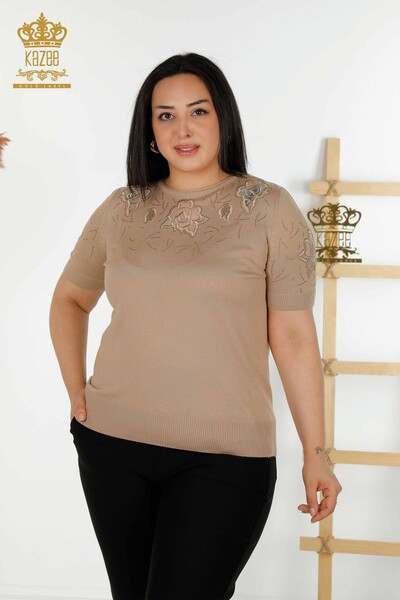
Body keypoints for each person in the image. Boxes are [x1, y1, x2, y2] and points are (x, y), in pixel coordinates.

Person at [49, 51, 342, 600]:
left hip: (225, 460)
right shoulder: (120, 209)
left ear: (223, 119)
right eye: (165, 115)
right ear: (150, 133)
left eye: (198, 111)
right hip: (113, 445)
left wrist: (316, 453)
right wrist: (76, 390)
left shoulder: (270, 209)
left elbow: (294, 338)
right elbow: (69, 299)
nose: (182, 129)